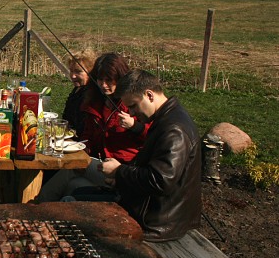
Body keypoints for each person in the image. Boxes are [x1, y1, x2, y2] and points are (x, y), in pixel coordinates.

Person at [99, 70, 201, 242]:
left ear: (149, 95)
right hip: (152, 212)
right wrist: (121, 178)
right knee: (78, 196)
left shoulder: (173, 129)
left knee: (75, 207)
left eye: (133, 106)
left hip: (155, 223)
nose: (131, 113)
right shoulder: (167, 118)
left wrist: (120, 172)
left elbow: (161, 180)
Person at [37, 53, 148, 201]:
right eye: (100, 80)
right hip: (101, 166)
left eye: (109, 80)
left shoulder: (132, 104)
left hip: (123, 171)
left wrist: (134, 126)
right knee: (74, 185)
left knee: (72, 169)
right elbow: (88, 135)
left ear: (120, 79)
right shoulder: (95, 102)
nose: (103, 85)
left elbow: (154, 136)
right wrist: (83, 148)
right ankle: (53, 215)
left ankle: (36, 205)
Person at [61, 49, 97, 135]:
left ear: (90, 71)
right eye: (71, 71)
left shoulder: (92, 94)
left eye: (78, 71)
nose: (73, 76)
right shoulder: (77, 89)